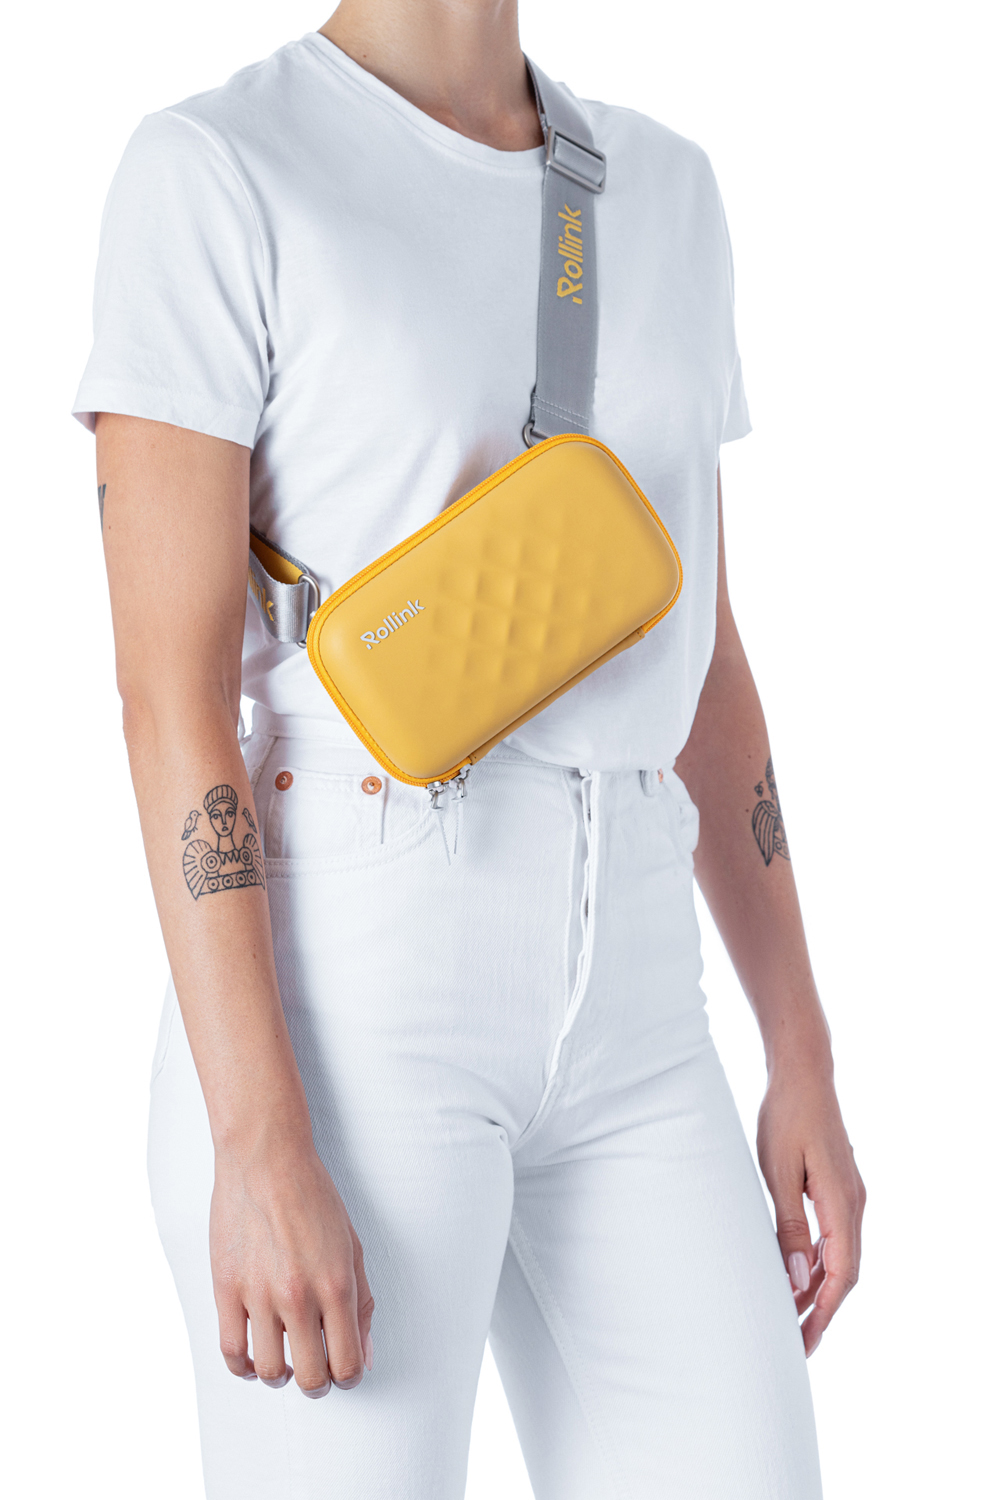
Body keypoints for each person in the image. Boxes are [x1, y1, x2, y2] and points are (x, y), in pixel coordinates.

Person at [74, 3, 865, 1496]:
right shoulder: (216, 170)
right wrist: (257, 1142)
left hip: (640, 996)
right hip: (350, 996)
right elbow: (167, 702)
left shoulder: (668, 189)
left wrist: (800, 1050)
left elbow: (700, 658)